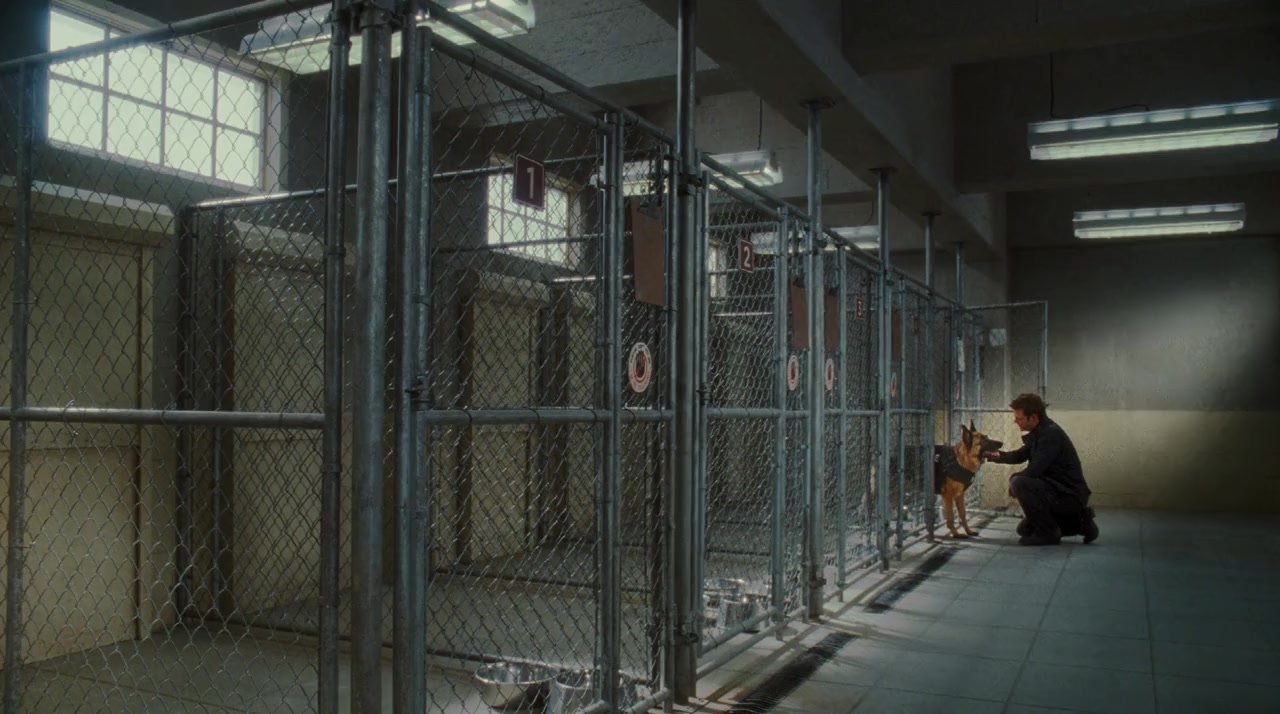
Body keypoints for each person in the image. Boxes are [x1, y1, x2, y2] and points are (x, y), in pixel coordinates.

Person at [984, 393, 1098, 546]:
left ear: (1033, 418)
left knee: (1019, 482)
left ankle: (1048, 534)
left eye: (1019, 418)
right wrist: (997, 456)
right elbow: (1020, 455)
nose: (1015, 421)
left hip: (1069, 495)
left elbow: (1034, 470)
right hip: (1057, 491)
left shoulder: (1051, 435)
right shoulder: (1040, 431)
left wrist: (1013, 482)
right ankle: (1081, 525)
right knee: (1025, 530)